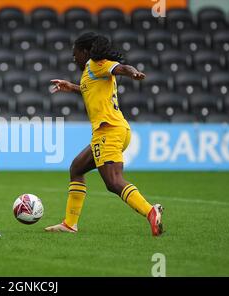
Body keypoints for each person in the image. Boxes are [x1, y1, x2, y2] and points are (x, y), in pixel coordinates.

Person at [45, 32, 164, 236]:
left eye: (75, 53)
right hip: (115, 129)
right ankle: (69, 224)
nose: (74, 57)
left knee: (113, 182)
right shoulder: (89, 72)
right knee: (77, 168)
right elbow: (90, 89)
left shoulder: (95, 64)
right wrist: (71, 87)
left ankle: (150, 211)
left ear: (85, 51)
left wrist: (133, 73)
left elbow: (121, 68)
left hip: (108, 131)